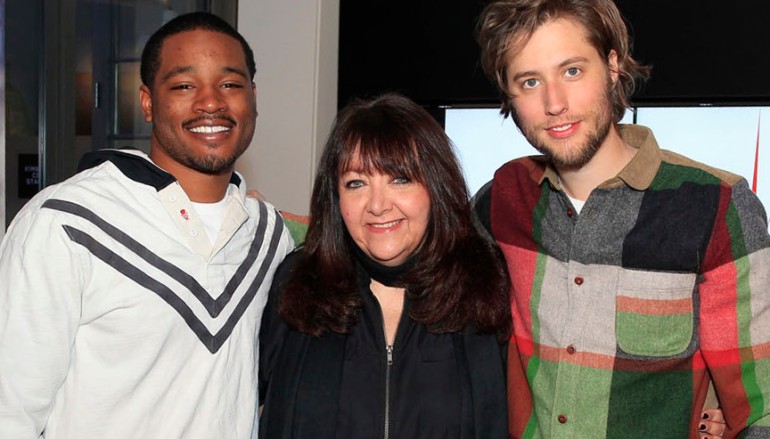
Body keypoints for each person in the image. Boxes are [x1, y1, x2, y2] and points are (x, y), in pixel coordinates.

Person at [473, 0, 770, 437]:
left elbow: (760, 404)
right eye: (530, 81)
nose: (554, 103)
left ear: (612, 67)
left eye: (572, 71)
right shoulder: (502, 198)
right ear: (509, 94)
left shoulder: (717, 206)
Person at [0, 12, 294, 438]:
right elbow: (10, 411)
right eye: (183, 85)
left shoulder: (269, 236)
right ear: (147, 102)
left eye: (230, 84)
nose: (210, 102)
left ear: (254, 96)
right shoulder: (65, 223)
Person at [258, 93, 512, 438]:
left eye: (400, 179)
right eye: (356, 184)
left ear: (435, 187)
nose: (377, 205)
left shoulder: (485, 290)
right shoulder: (296, 284)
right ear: (336, 198)